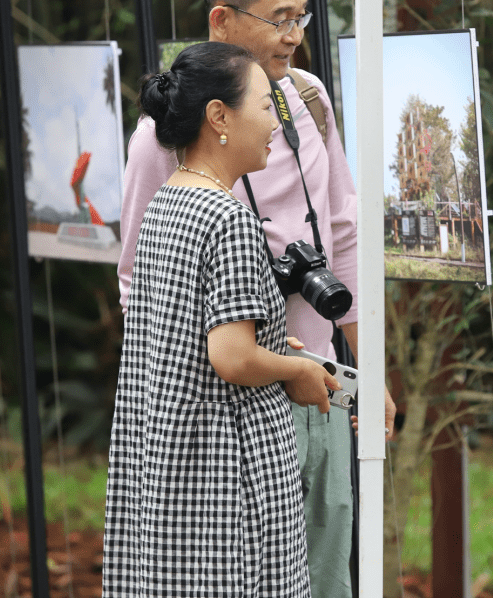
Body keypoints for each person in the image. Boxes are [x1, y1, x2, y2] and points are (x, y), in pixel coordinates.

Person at [117, 0, 396, 598]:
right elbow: (138, 280)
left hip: (319, 386)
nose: (293, 34)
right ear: (222, 19)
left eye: (300, 16)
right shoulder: (164, 141)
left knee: (324, 575)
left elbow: (344, 236)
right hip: (227, 407)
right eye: (279, 18)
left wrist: (368, 366)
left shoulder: (309, 102)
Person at [103, 42, 340, 597]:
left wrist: (267, 342)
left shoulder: (168, 201)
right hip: (225, 469)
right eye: (265, 107)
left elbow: (184, 330)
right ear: (219, 117)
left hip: (170, 461)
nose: (275, 126)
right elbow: (231, 358)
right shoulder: (230, 218)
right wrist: (294, 371)